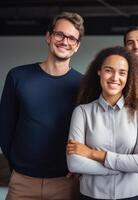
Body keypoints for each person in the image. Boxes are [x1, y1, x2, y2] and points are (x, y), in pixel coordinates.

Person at [0, 11, 84, 199]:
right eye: (59, 34)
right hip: (22, 182)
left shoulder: (84, 85)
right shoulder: (18, 76)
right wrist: (16, 165)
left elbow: (90, 132)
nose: (65, 41)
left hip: (66, 182)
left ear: (77, 46)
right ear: (48, 36)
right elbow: (5, 127)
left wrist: (81, 166)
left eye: (72, 38)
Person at [66, 46, 138, 200]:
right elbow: (74, 163)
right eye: (109, 70)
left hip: (132, 195)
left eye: (122, 73)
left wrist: (92, 154)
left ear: (128, 77)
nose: (114, 77)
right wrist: (118, 168)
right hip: (91, 196)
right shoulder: (82, 112)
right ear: (99, 71)